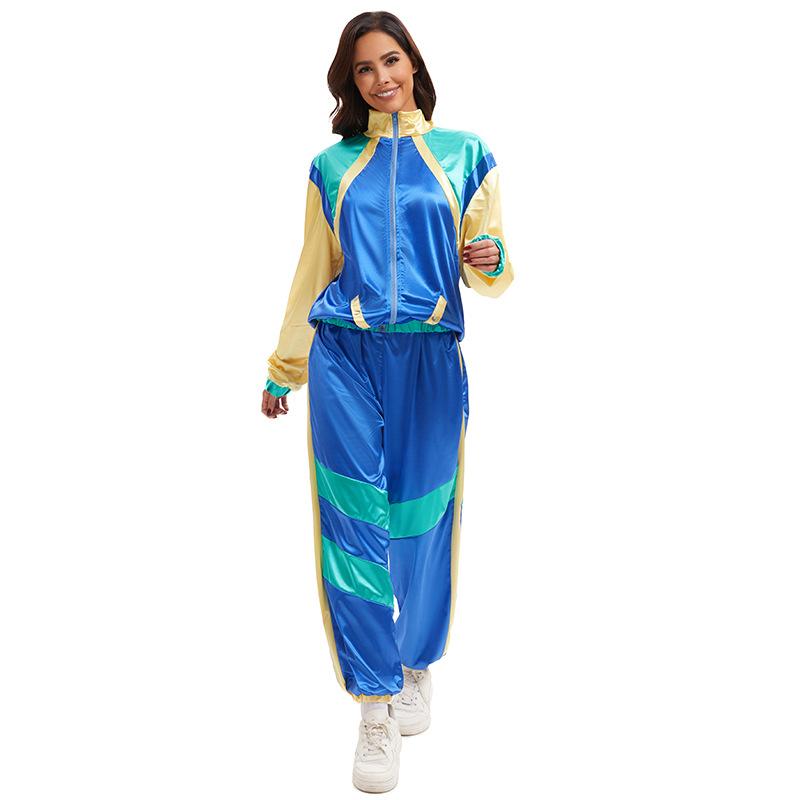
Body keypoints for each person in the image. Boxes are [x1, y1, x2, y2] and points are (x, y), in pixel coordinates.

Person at [260, 11, 514, 793]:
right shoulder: (331, 167)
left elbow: (494, 271)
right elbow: (313, 269)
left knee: (423, 517)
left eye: (391, 61)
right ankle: (373, 703)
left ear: (414, 65)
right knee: (352, 521)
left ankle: (413, 663)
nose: (380, 78)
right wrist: (285, 367)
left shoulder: (466, 155)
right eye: (364, 68)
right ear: (351, 80)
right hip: (345, 353)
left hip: (430, 356)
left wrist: (491, 259)